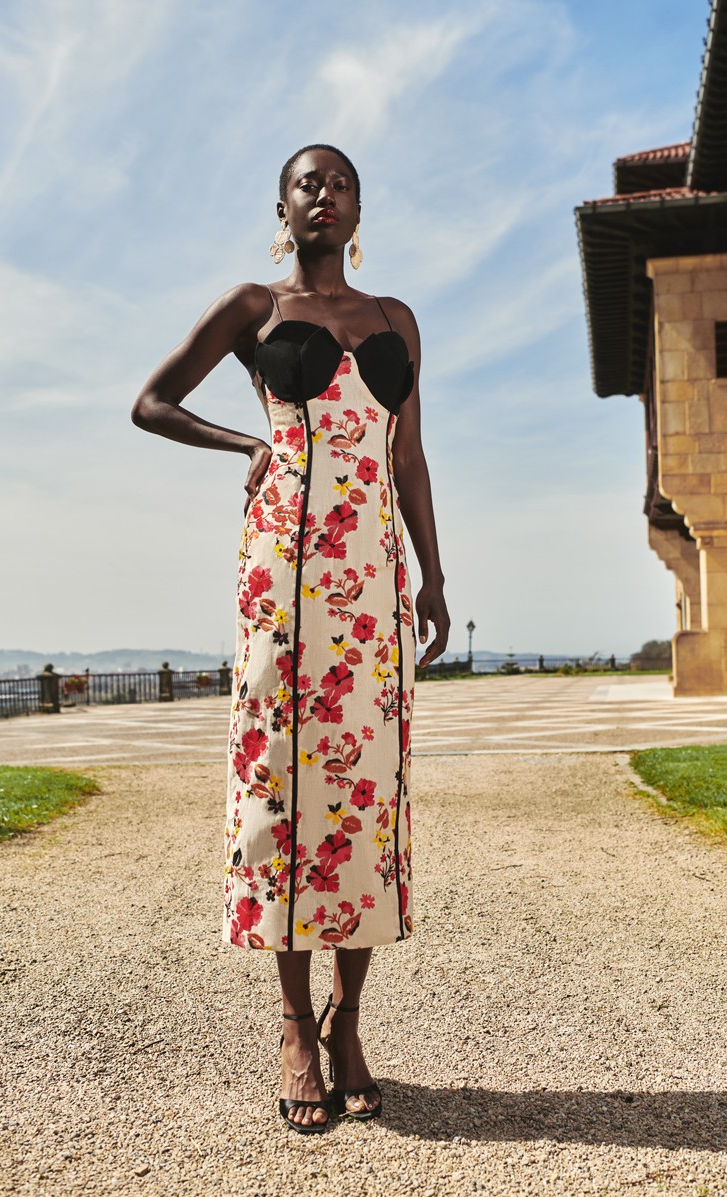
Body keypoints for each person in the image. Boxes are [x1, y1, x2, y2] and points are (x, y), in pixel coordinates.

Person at [132, 144, 449, 1132]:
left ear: (359, 210)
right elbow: (151, 403)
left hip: (369, 585)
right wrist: (252, 443)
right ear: (283, 206)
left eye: (341, 183)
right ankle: (291, 1023)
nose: (325, 195)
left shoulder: (394, 322)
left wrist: (432, 576)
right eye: (307, 183)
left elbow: (408, 455)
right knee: (282, 792)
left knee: (363, 797)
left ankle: (349, 1020)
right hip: (281, 581)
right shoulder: (252, 310)